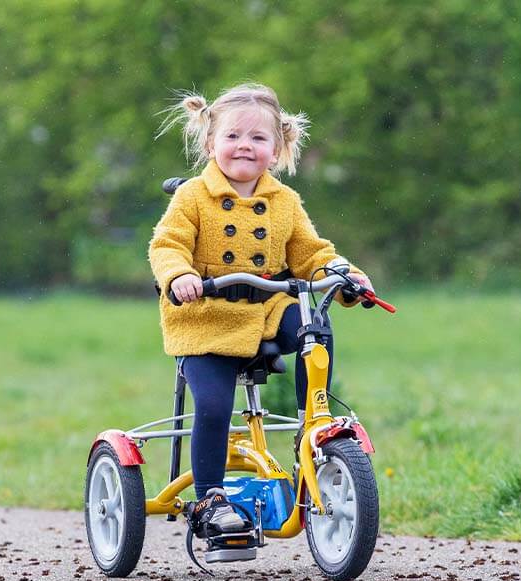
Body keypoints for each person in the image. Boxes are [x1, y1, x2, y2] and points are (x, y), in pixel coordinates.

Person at [148, 83, 373, 537]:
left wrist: (345, 275)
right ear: (211, 143)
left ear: (277, 149)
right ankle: (211, 500)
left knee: (315, 325)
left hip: (267, 311)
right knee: (212, 406)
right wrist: (179, 277)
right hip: (204, 320)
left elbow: (312, 253)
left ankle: (315, 424)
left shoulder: (284, 202)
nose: (244, 146)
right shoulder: (192, 196)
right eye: (232, 137)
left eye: (257, 138)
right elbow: (166, 244)